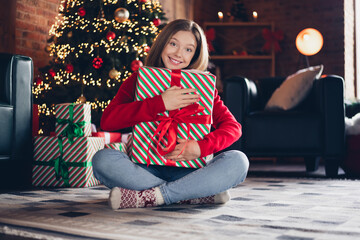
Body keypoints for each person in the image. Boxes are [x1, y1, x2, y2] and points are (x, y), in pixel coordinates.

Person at [92, 19, 249, 210]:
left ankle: (155, 196)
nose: (178, 54)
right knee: (102, 159)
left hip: (191, 171)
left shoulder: (203, 87)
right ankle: (193, 195)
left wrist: (200, 148)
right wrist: (159, 103)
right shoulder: (138, 79)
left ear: (195, 56)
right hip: (143, 169)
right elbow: (108, 121)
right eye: (173, 44)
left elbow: (233, 128)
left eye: (188, 49)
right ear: (163, 43)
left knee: (238, 161)